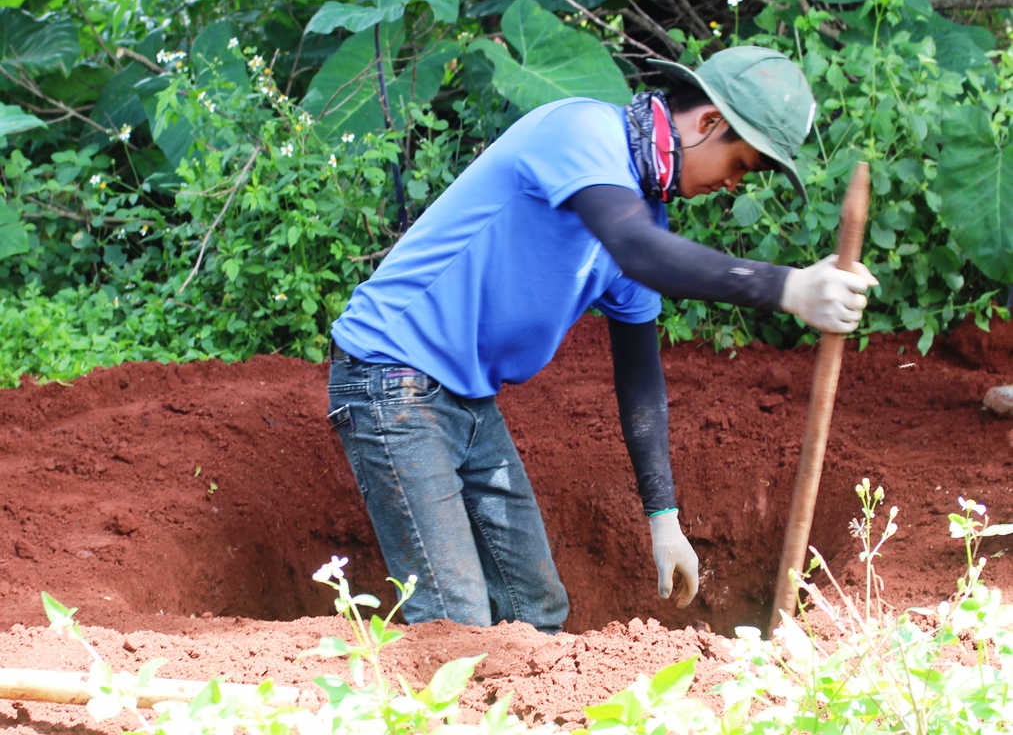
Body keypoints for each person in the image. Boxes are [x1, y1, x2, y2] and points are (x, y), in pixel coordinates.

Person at [325, 45, 877, 633]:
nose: (735, 184)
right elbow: (640, 252)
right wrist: (787, 287)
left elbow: (639, 374)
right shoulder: (584, 132)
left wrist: (664, 518)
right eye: (741, 164)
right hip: (392, 378)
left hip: (463, 397)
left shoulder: (643, 215)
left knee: (535, 611)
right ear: (710, 123)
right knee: (454, 622)